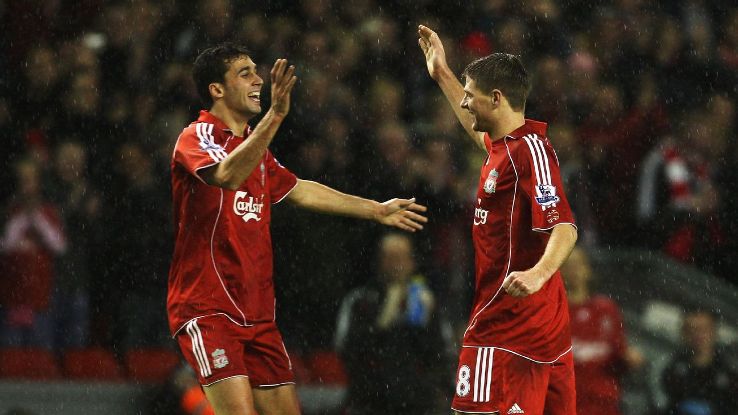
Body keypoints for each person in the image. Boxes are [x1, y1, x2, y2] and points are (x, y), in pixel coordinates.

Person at [168, 43, 427, 415]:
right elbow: (227, 175)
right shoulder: (197, 137)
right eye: (245, 73)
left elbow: (299, 189)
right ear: (216, 89)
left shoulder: (254, 149)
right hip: (208, 308)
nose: (258, 80)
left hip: (257, 312)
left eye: (256, 72)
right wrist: (274, 117)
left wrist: (375, 209)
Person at [418, 26, 579, 415]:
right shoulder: (502, 149)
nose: (466, 104)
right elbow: (478, 133)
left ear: (496, 98)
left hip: (509, 326)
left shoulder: (532, 150)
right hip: (538, 331)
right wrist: (442, 73)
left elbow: (564, 225)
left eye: (472, 97)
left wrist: (538, 275)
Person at [335, 233, 452, 414]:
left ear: (412, 262)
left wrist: (428, 321)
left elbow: (442, 356)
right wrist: (382, 321)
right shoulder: (360, 301)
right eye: (389, 257)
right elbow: (347, 350)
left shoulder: (427, 300)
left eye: (401, 257)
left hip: (418, 405)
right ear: (379, 262)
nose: (395, 264)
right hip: (369, 404)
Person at [561, 247, 643, 415]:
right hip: (564, 402)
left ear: (588, 270)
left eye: (578, 264)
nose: (573, 270)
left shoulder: (606, 309)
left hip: (602, 402)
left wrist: (630, 358)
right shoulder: (550, 311)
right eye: (567, 265)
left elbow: (620, 351)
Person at [661, 309, 738, 415]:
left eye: (704, 329)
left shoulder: (730, 371)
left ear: (714, 331)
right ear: (683, 334)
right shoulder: (671, 368)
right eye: (691, 330)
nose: (698, 335)